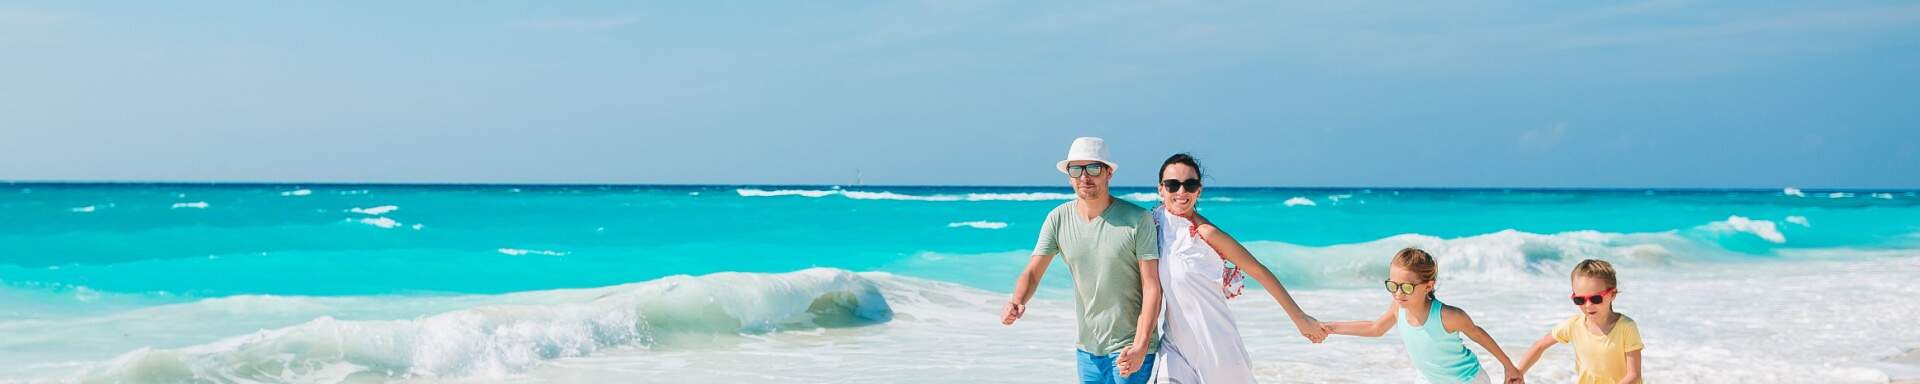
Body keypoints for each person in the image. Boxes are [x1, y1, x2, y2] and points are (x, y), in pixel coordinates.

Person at [1149, 153, 1328, 383]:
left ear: (1199, 191)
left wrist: (1300, 318)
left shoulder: (1206, 234)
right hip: (1175, 347)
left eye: (1190, 184)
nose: (1181, 192)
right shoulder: (1153, 224)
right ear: (1161, 189)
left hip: (1218, 348)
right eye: (1173, 185)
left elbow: (1259, 271)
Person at [1002, 137, 1164, 384]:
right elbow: (1033, 272)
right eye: (1076, 169)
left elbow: (1152, 286)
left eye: (1093, 168)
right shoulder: (1058, 219)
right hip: (1087, 348)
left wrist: (1141, 345)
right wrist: (1017, 300)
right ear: (1069, 176)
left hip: (1131, 345)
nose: (1084, 177)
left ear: (1108, 173)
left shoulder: (1137, 220)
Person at [1323, 248, 1524, 384]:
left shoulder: (1448, 315)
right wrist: (1330, 328)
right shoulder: (1398, 307)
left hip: (1467, 380)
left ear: (1428, 286)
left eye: (1407, 287)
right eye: (1393, 285)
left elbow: (1478, 335)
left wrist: (1509, 366)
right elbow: (1375, 328)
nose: (1398, 293)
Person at [1514, 259, 1644, 384]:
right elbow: (1540, 346)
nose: (1588, 306)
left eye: (1596, 299)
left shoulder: (1626, 327)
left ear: (1613, 294)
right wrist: (1518, 372)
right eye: (1580, 300)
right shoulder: (1574, 325)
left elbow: (1634, 375)